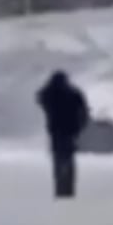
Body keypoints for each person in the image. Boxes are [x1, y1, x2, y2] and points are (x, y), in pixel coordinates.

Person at [36, 70, 90, 199]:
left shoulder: (50, 94)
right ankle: (68, 189)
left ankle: (60, 187)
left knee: (58, 159)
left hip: (56, 131)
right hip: (70, 131)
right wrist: (80, 126)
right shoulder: (72, 93)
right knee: (68, 159)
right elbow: (84, 111)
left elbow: (40, 97)